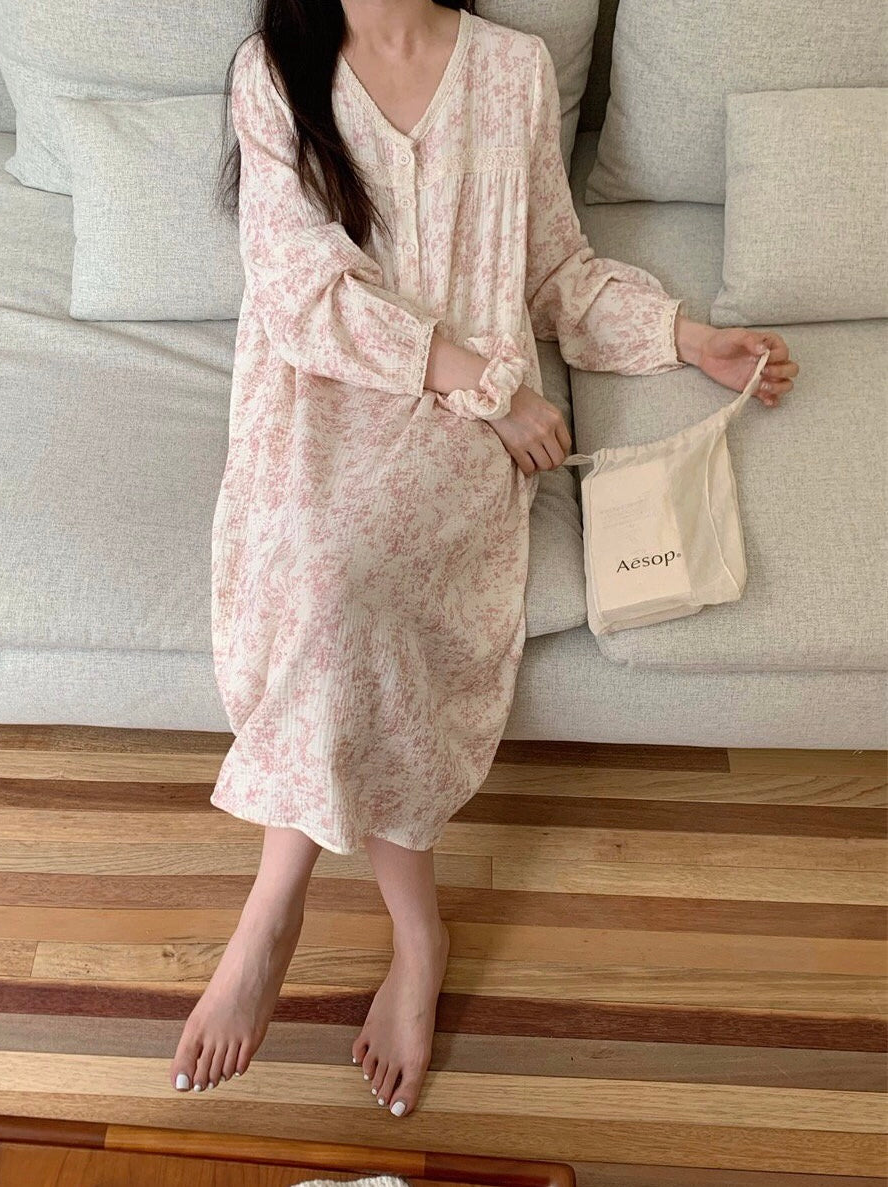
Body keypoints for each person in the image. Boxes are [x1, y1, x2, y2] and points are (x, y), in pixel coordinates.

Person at [170, 0, 798, 1117]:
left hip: (459, 430)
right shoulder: (274, 71)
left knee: (353, 573)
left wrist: (686, 336)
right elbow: (295, 287)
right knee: (318, 560)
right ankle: (402, 928)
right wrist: (483, 381)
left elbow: (553, 272)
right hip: (325, 395)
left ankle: (282, 910)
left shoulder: (511, 70)